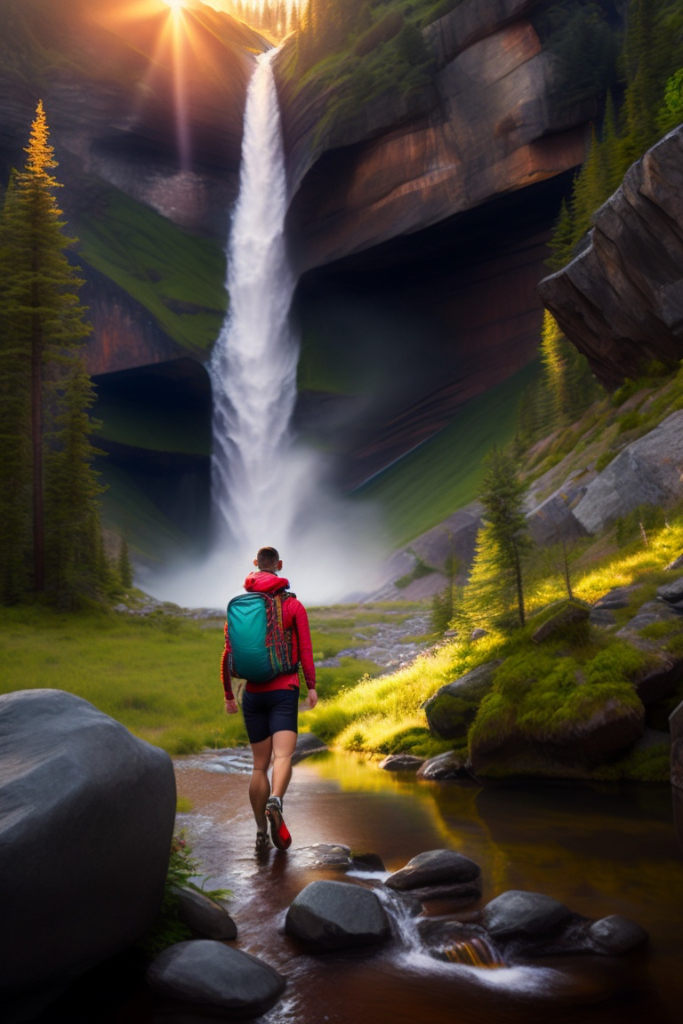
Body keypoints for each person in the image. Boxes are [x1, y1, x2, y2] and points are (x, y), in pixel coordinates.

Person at [223, 546, 317, 854]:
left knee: (258, 766)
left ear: (255, 565)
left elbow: (228, 654)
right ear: (279, 565)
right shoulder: (292, 605)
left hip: (252, 695)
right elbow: (305, 650)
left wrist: (228, 695)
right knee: (283, 757)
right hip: (283, 691)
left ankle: (261, 832)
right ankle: (276, 800)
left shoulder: (239, 608)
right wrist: (312, 687)